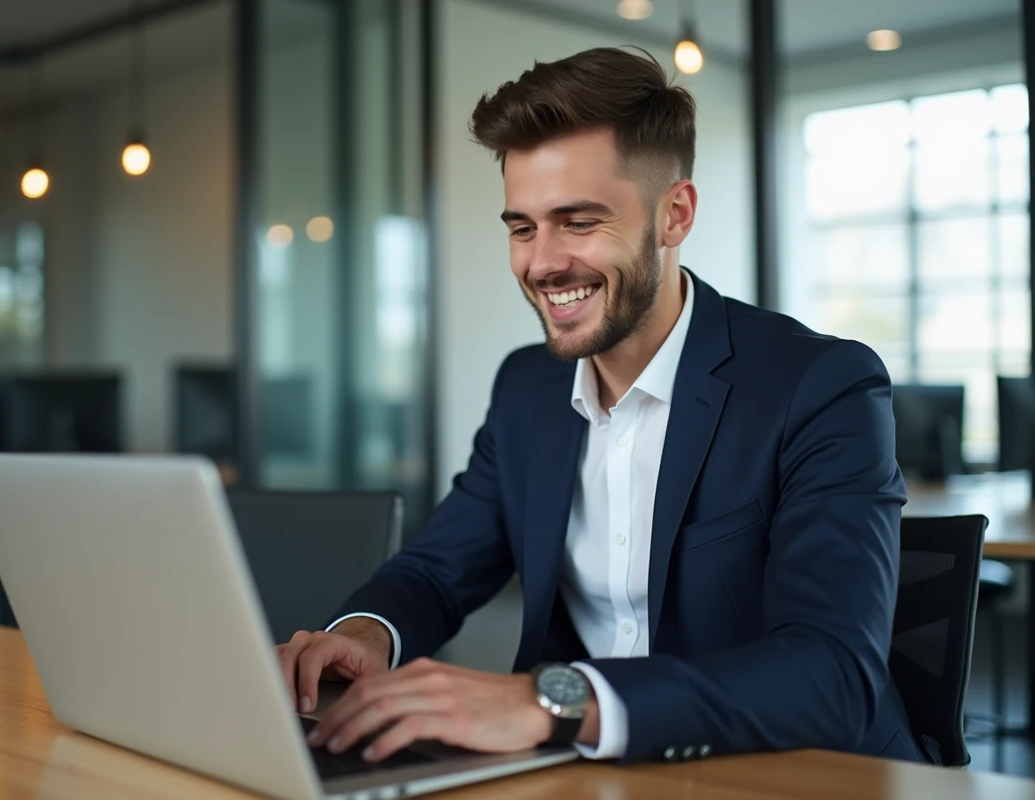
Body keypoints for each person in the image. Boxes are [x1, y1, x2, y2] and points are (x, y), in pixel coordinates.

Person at [276, 46, 922, 766]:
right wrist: (364, 634)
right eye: (521, 227)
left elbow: (832, 674)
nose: (542, 262)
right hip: (587, 774)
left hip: (794, 776)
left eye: (577, 222)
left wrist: (548, 700)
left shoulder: (821, 384)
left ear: (674, 215)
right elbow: (435, 570)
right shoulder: (527, 390)